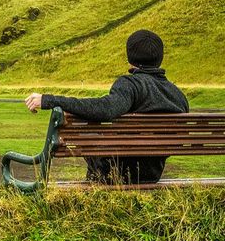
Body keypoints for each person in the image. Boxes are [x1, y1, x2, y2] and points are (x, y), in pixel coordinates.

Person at [25, 29, 189, 184]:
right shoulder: (177, 95)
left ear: (129, 57)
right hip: (152, 174)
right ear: (160, 57)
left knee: (90, 137)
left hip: (114, 172)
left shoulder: (131, 85)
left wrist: (49, 100)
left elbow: (104, 109)